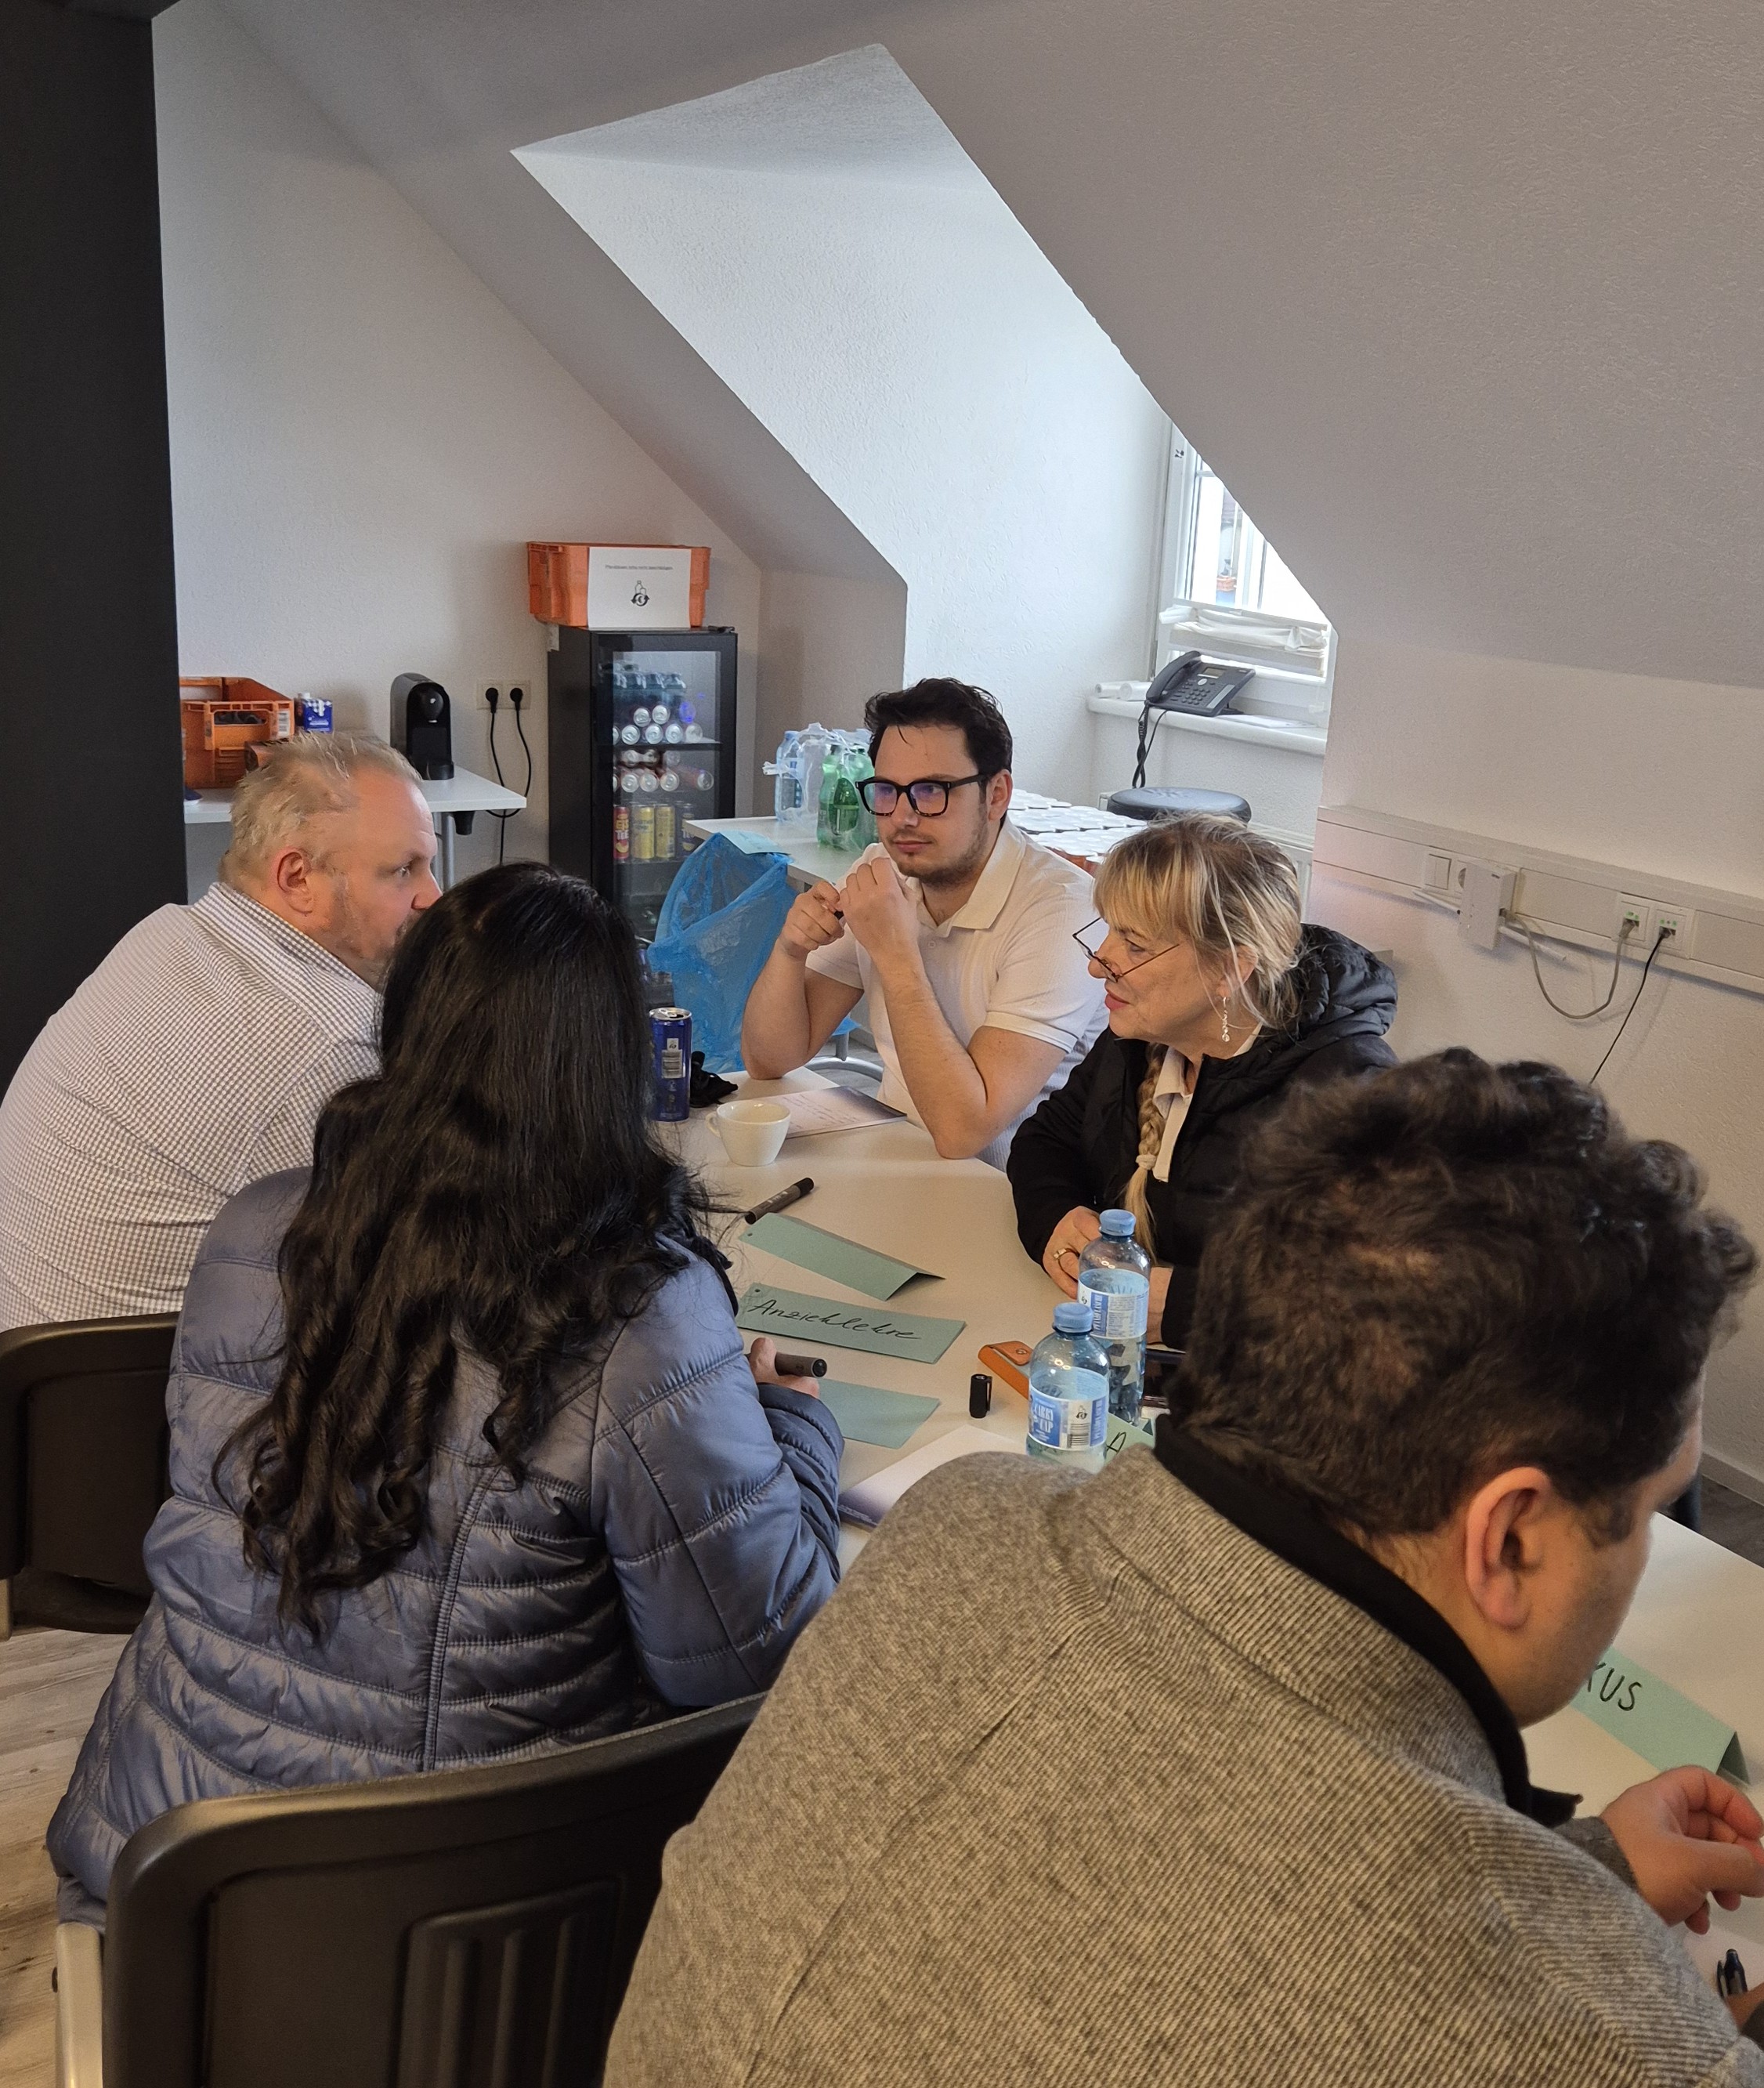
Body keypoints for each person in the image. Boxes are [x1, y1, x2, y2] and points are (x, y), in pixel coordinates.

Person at [609, 1053, 1764, 2086]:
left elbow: (1170, 1912)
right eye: (1647, 1512)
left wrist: (1577, 1876)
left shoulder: (960, 1527)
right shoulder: (1611, 2044)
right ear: (1507, 1539)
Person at [47, 863, 844, 1918]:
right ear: (602, 1059)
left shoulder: (259, 1228)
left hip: (163, 1876)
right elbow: (759, 1656)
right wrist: (794, 1426)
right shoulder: (639, 1314)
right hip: (443, 1933)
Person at [0, 732, 439, 1330]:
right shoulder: (328, 1042)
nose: (434, 897)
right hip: (125, 1377)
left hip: (31, 1357)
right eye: (403, 870)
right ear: (297, 878)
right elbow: (400, 1280)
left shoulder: (167, 932)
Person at [1008, 810, 1395, 1348]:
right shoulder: (1138, 1037)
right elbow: (1045, 1140)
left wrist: (1188, 1308)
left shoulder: (1351, 1094)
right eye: (1110, 930)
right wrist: (1057, 1219)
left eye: (1135, 945)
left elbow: (1377, 1296)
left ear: (1229, 969)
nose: (1099, 964)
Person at [741, 679, 1105, 1167]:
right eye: (887, 791)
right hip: (898, 1160)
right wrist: (790, 950)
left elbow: (962, 1133)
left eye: (931, 791)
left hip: (1008, 1191)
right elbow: (768, 1061)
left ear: (996, 795)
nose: (903, 818)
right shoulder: (883, 870)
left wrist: (896, 955)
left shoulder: (1063, 911)